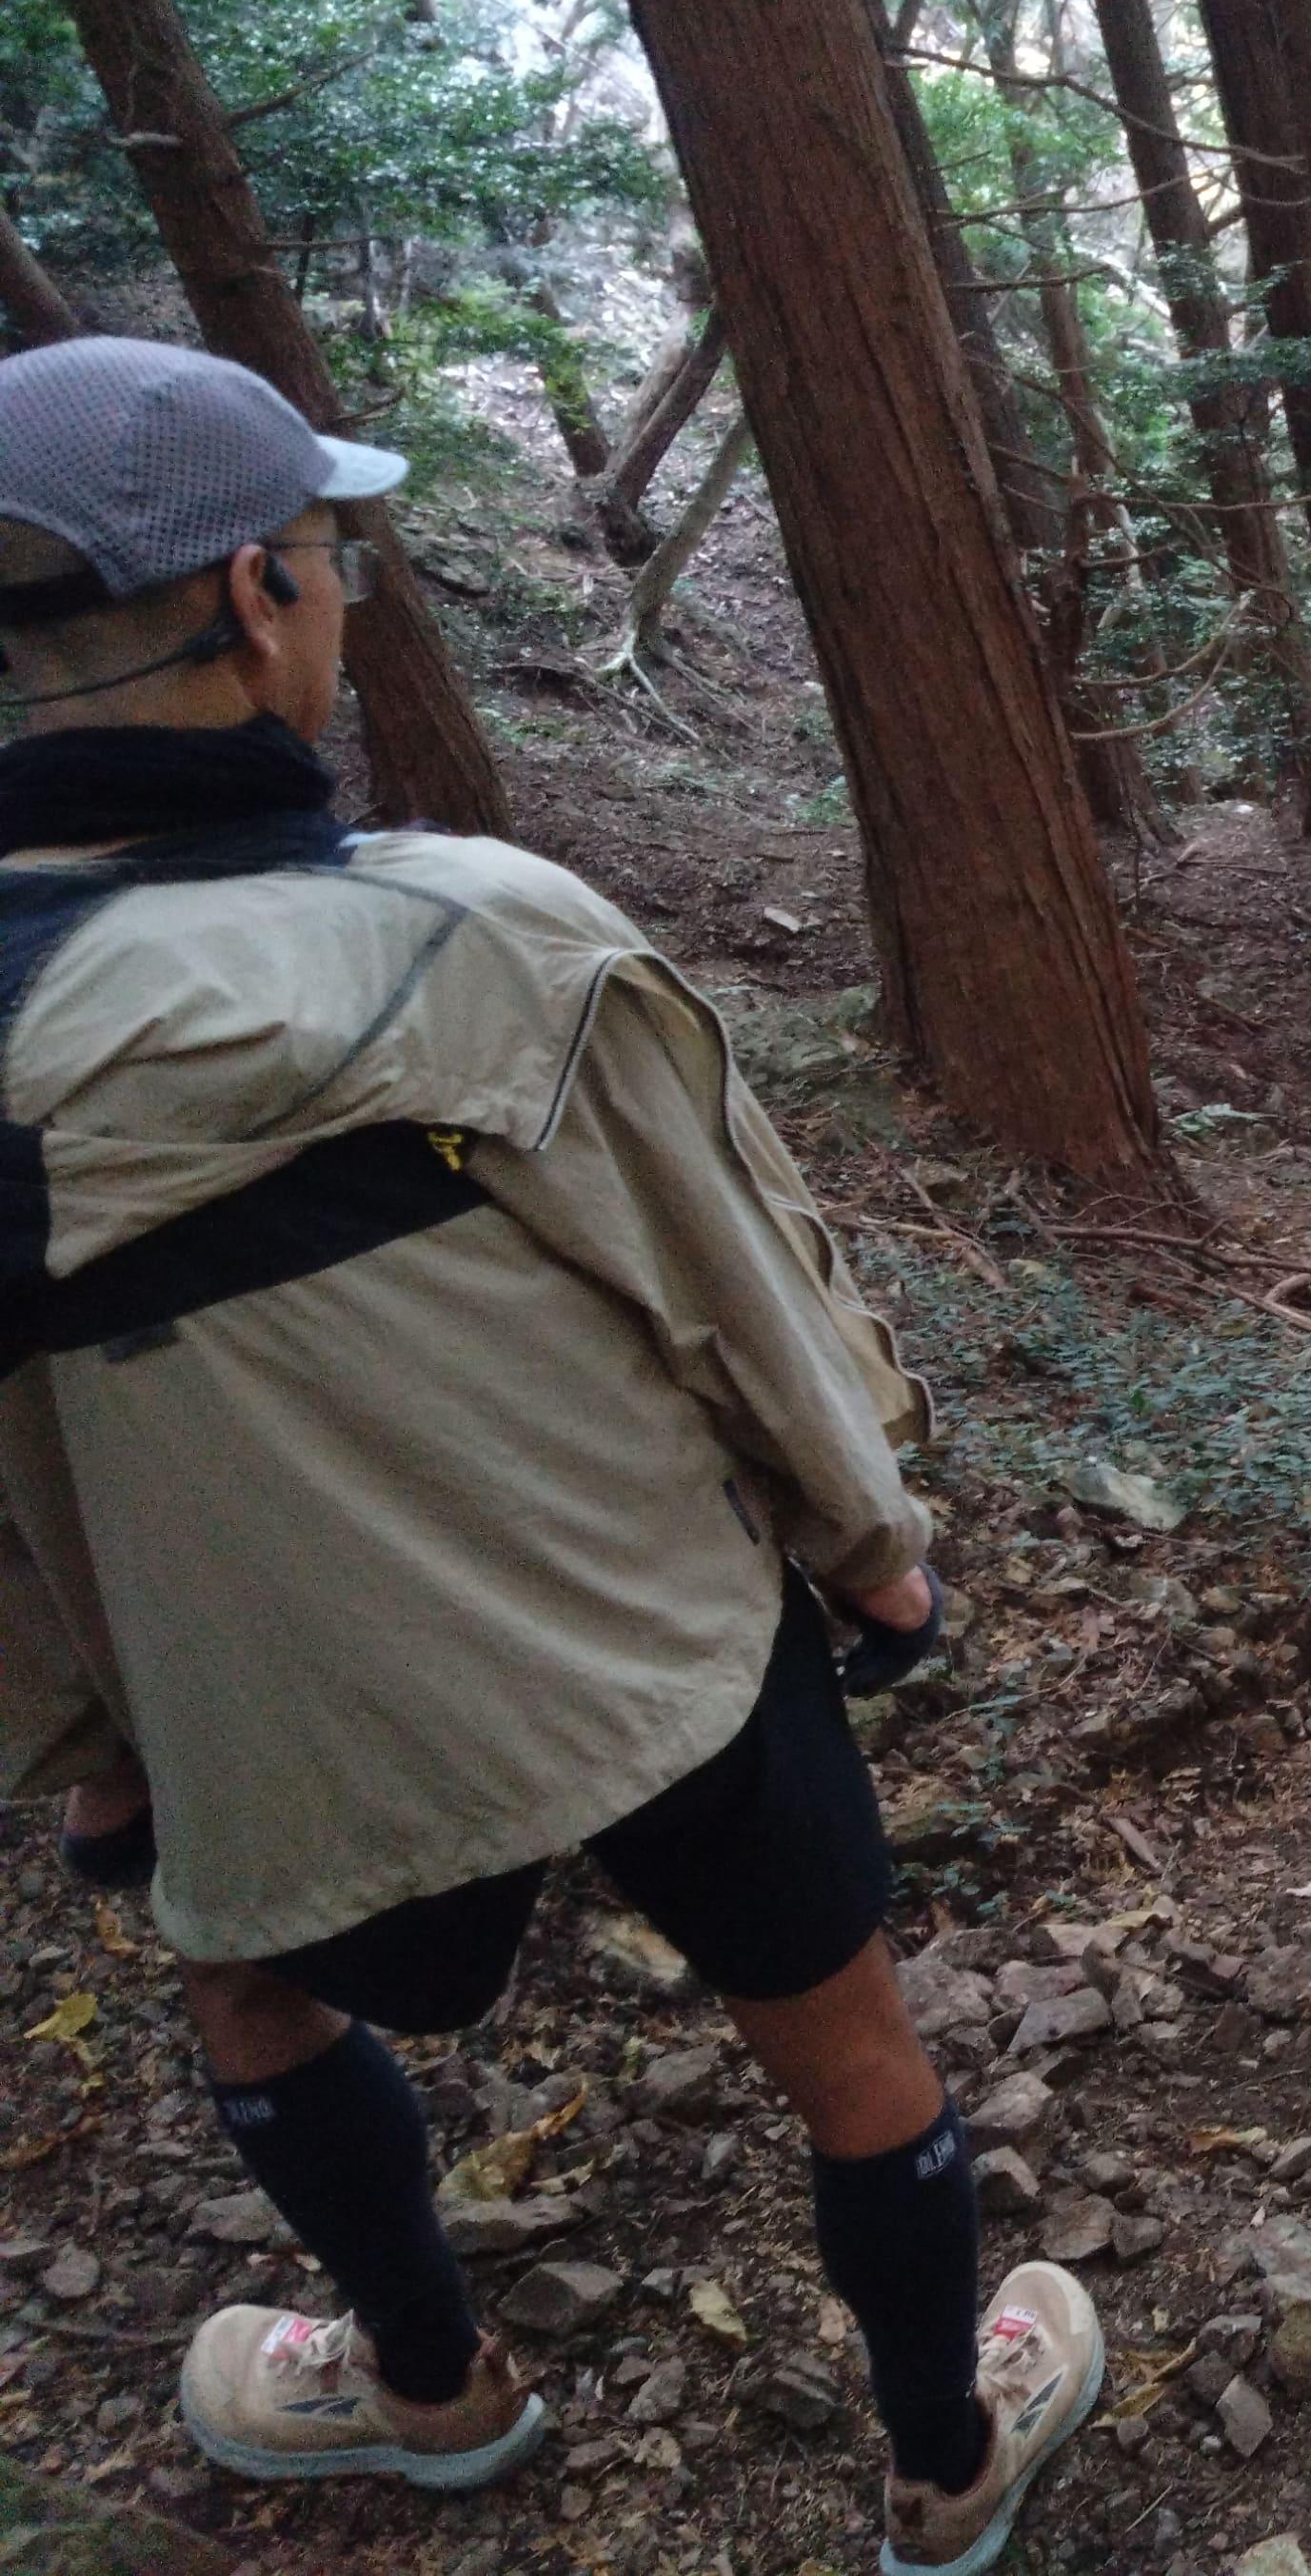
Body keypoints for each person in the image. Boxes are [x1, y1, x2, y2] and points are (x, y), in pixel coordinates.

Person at [0, 338, 1097, 2574]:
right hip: (648, 1641)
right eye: (333, 553)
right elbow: (736, 1283)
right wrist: (872, 1546)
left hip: (260, 1702)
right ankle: (943, 2461)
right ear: (256, 595)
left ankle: (425, 2386)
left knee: (251, 1986)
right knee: (843, 2036)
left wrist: (88, 1743)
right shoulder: (468, 939)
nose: (343, 591)